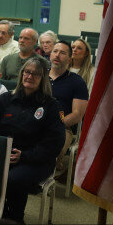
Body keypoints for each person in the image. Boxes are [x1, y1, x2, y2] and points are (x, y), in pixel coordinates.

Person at [0, 58, 65, 223]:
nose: (30, 76)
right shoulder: (6, 99)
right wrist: (2, 150)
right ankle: (2, 215)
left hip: (36, 161)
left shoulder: (51, 106)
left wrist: (25, 156)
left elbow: (54, 143)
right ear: (22, 74)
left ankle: (16, 220)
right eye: (27, 72)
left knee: (13, 179)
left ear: (43, 78)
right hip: (5, 155)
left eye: (36, 74)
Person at [48, 40, 89, 171]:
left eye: (62, 53)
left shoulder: (77, 82)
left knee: (49, 148)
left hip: (63, 128)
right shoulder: (39, 75)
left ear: (70, 59)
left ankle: (47, 175)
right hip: (35, 121)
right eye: (55, 51)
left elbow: (77, 115)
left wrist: (55, 125)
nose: (57, 55)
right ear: (50, 55)